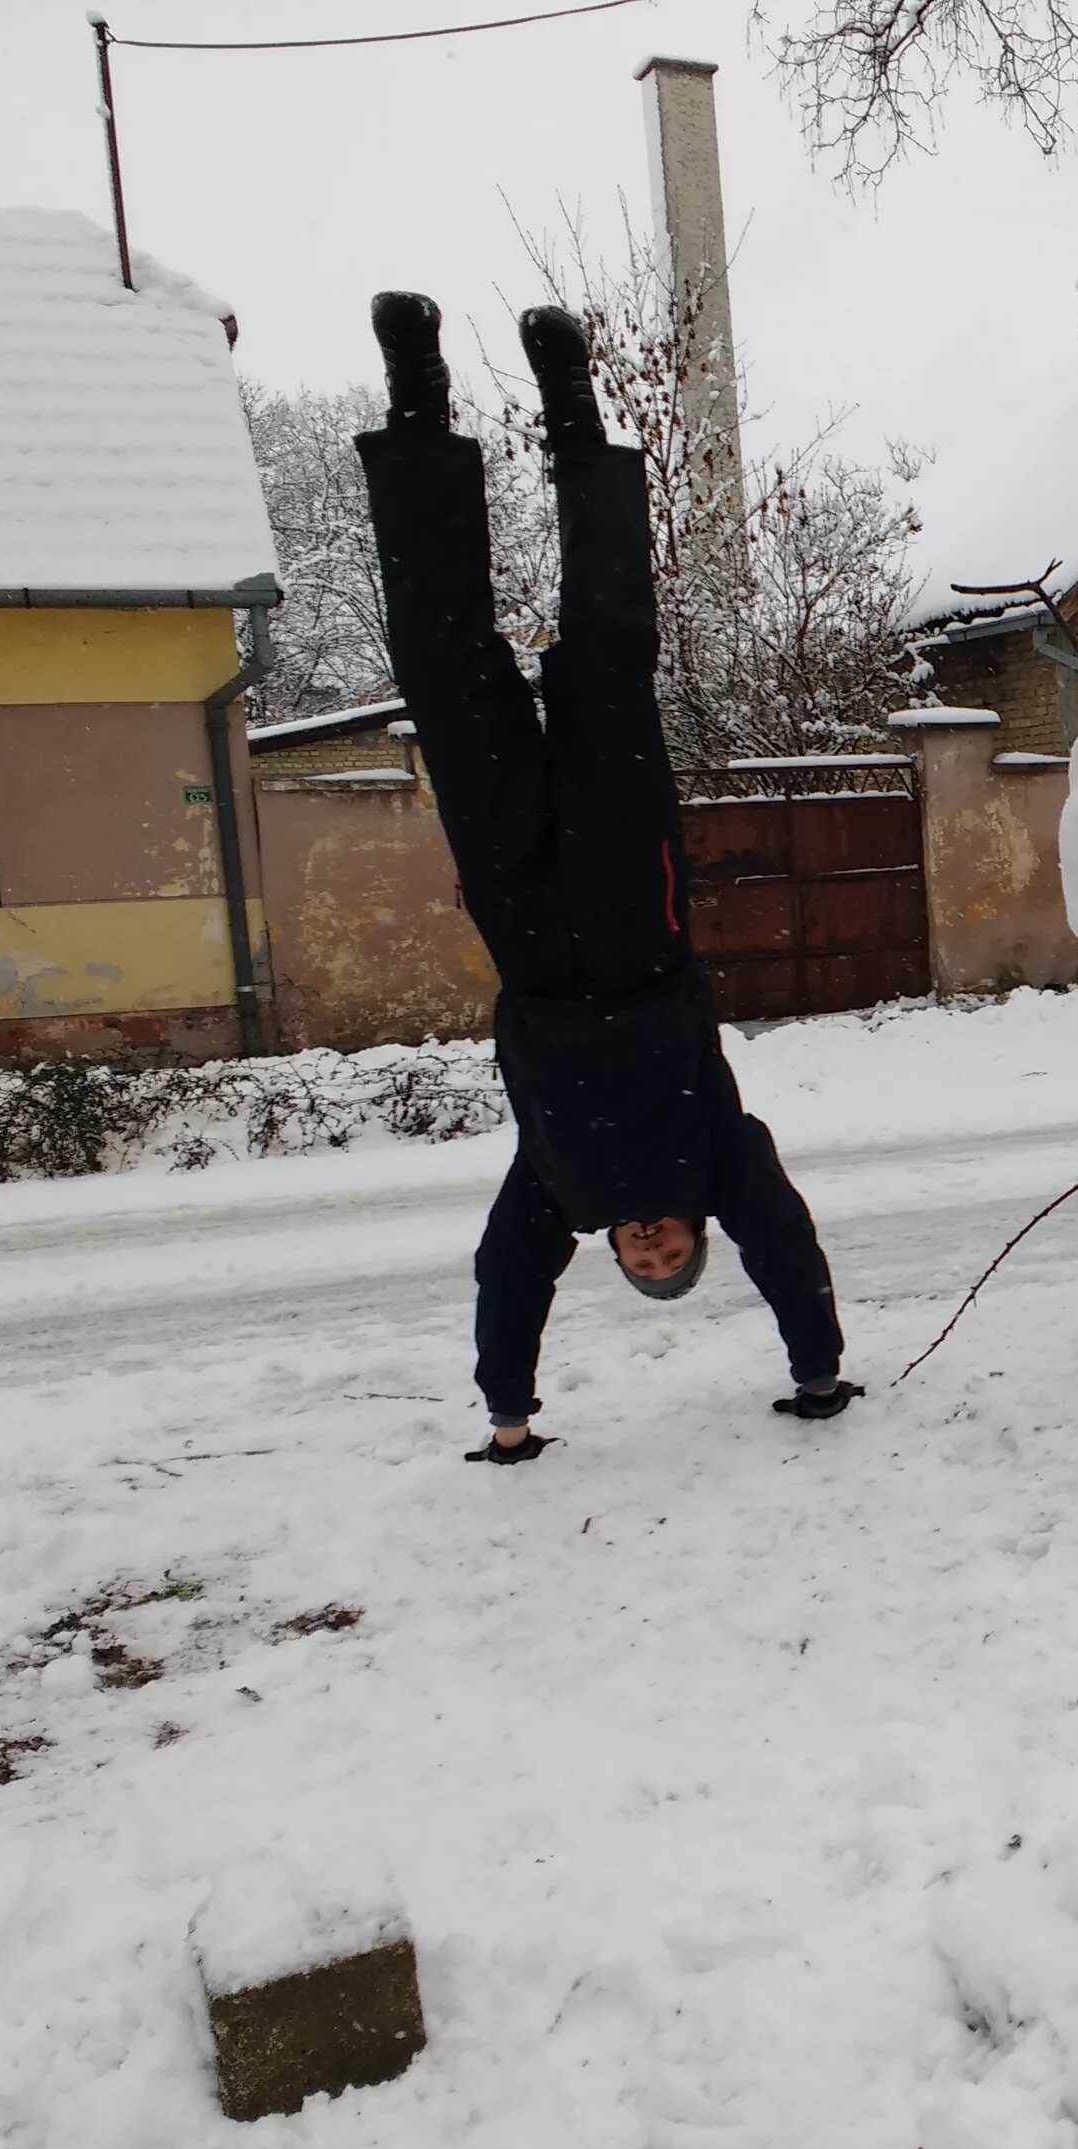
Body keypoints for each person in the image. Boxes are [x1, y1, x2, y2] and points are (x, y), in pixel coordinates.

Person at [356, 293, 858, 1460]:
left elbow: (506, 1278)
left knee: (449, 673)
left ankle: (416, 405)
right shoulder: (719, 1160)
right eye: (673, 1253)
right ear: (693, 1236)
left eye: (644, 1263)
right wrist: (819, 1371)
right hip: (639, 925)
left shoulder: (561, 1194)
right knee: (604, 666)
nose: (651, 1245)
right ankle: (573, 417)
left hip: (528, 935)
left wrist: (508, 1415)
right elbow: (782, 1243)